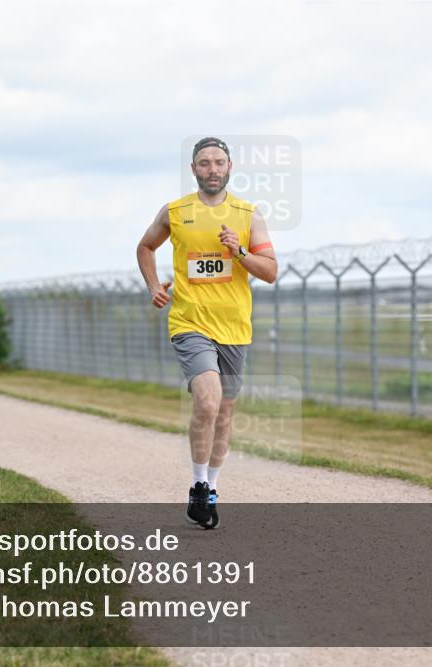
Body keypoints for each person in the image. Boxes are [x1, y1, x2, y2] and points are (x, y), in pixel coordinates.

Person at [136, 137, 278, 529]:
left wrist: (240, 253)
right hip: (189, 322)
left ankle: (211, 489)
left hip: (234, 327)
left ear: (230, 167)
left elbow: (270, 272)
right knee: (208, 402)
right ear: (193, 169)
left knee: (225, 411)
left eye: (218, 162)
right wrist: (153, 286)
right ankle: (198, 485)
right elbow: (145, 248)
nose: (212, 169)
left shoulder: (248, 215)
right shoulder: (176, 211)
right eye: (204, 163)